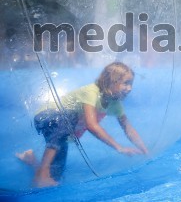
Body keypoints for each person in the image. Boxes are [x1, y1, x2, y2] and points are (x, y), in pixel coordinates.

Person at [16, 62, 149, 188]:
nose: (129, 88)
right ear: (111, 81)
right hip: (48, 116)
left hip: (62, 131)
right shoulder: (92, 91)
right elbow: (92, 125)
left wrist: (145, 150)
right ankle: (41, 174)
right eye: (126, 83)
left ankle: (31, 159)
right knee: (69, 117)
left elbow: (128, 127)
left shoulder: (115, 104)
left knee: (55, 176)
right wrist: (119, 147)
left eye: (131, 83)